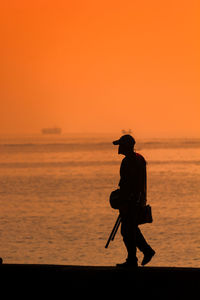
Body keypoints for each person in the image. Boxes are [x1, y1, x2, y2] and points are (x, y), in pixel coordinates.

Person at [113, 134, 155, 267]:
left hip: (131, 202)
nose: (119, 147)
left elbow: (127, 185)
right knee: (130, 229)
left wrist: (124, 202)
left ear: (126, 146)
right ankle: (144, 252)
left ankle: (134, 259)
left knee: (127, 230)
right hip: (138, 200)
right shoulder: (139, 158)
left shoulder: (128, 161)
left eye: (121, 145)